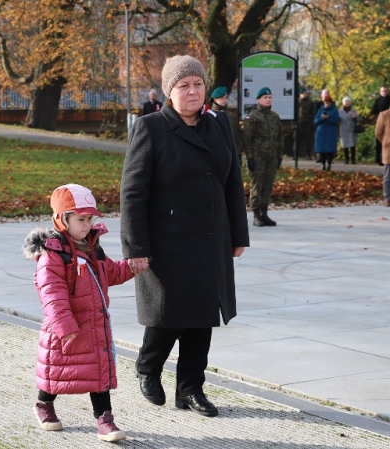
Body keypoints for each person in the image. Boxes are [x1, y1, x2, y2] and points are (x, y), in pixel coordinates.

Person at [120, 55, 250, 418]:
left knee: (202, 317)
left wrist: (238, 233)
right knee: (168, 315)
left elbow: (233, 183)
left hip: (211, 237)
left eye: (197, 84)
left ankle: (191, 389)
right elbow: (132, 192)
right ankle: (148, 368)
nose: (192, 91)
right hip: (167, 241)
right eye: (183, 86)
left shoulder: (219, 124)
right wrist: (136, 247)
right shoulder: (151, 127)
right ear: (169, 92)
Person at [22, 183, 135, 442]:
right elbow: (52, 293)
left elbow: (110, 272)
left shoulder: (92, 247)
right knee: (57, 373)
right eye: (80, 219)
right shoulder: (52, 255)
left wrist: (132, 267)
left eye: (90, 219)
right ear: (62, 220)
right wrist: (64, 325)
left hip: (95, 324)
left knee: (98, 373)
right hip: (65, 327)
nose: (86, 224)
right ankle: (43, 404)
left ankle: (105, 420)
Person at [243, 87, 285, 226]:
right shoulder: (253, 117)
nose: (268, 100)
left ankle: (265, 213)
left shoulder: (275, 117)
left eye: (270, 97)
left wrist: (279, 156)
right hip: (258, 156)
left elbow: (280, 137)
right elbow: (247, 139)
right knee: (257, 185)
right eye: (265, 97)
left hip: (271, 156)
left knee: (268, 186)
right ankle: (256, 215)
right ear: (259, 100)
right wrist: (250, 157)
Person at [209, 86, 242, 155]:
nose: (225, 100)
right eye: (221, 98)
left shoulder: (230, 115)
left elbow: (236, 135)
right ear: (215, 99)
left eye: (226, 98)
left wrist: (238, 152)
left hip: (230, 152)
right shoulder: (209, 116)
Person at [314, 93, 339, 171]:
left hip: (330, 132)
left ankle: (329, 164)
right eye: (325, 103)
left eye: (328, 103)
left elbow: (336, 120)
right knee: (321, 150)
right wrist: (321, 118)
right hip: (321, 132)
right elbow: (315, 121)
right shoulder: (320, 110)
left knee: (329, 151)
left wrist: (328, 118)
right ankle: (323, 164)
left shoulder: (334, 111)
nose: (327, 104)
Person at [371, 86, 390, 165]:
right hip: (379, 122)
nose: (384, 92)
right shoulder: (377, 101)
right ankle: (380, 159)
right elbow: (373, 112)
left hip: (389, 123)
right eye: (383, 91)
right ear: (380, 92)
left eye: (386, 91)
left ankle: (388, 158)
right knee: (379, 141)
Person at [337, 96, 359, 164]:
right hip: (343, 128)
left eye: (348, 102)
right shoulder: (340, 111)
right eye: (346, 102)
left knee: (353, 145)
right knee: (345, 145)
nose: (347, 103)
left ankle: (353, 160)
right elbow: (337, 120)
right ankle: (346, 159)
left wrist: (355, 117)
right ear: (343, 103)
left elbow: (358, 119)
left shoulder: (353, 110)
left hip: (351, 128)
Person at [297, 88, 317, 160]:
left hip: (308, 122)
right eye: (303, 93)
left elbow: (313, 113)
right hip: (299, 122)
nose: (304, 94)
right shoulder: (297, 102)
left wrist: (312, 122)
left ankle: (307, 153)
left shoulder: (310, 102)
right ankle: (295, 154)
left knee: (308, 139)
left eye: (305, 93)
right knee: (297, 139)